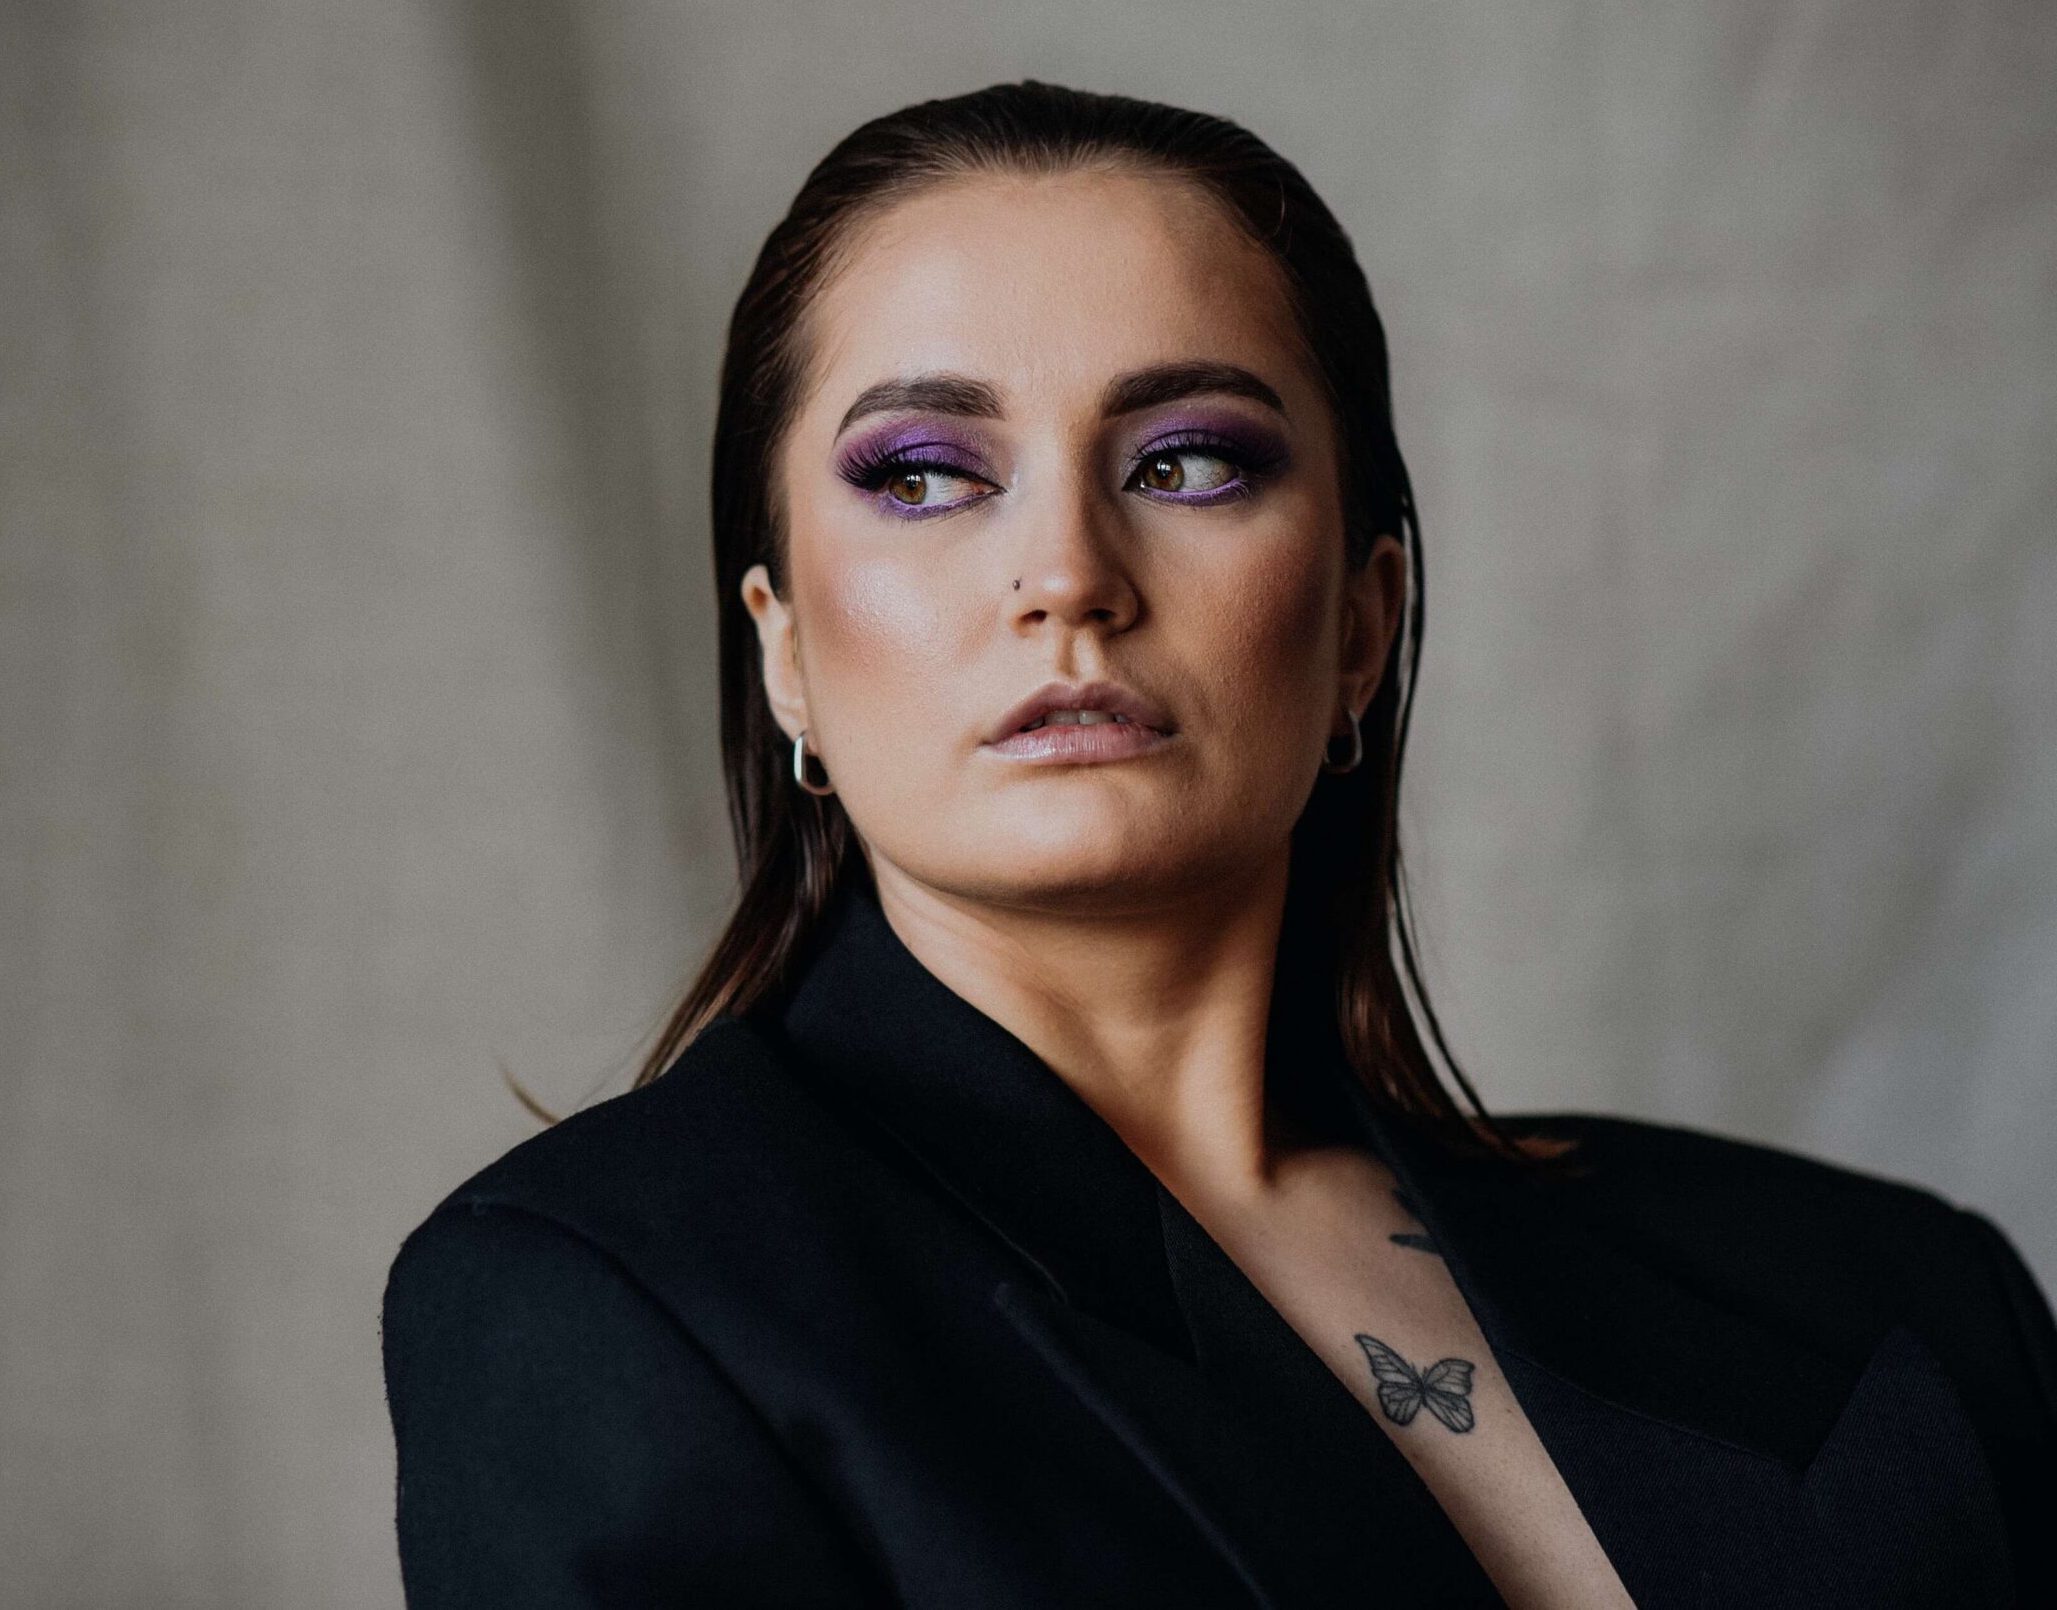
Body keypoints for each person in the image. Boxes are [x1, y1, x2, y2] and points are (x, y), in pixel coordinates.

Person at [379, 82, 2055, 1608]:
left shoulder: (1892, 1289)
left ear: (1361, 625)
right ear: (786, 652)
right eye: (928, 476)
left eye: (1185, 461)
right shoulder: (607, 1306)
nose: (1067, 575)